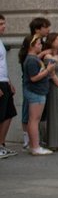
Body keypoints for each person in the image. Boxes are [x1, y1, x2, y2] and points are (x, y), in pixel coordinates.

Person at [19, 34, 54, 155]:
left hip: (37, 92)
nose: (41, 45)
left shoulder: (32, 58)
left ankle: (33, 145)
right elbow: (34, 78)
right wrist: (47, 71)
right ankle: (35, 146)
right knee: (34, 120)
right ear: (32, 46)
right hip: (36, 92)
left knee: (33, 120)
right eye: (39, 44)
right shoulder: (31, 60)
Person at [0, 14, 18, 158]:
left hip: (4, 81)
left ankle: (2, 144)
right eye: (0, 24)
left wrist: (9, 81)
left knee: (9, 113)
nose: (3, 27)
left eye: (3, 23)